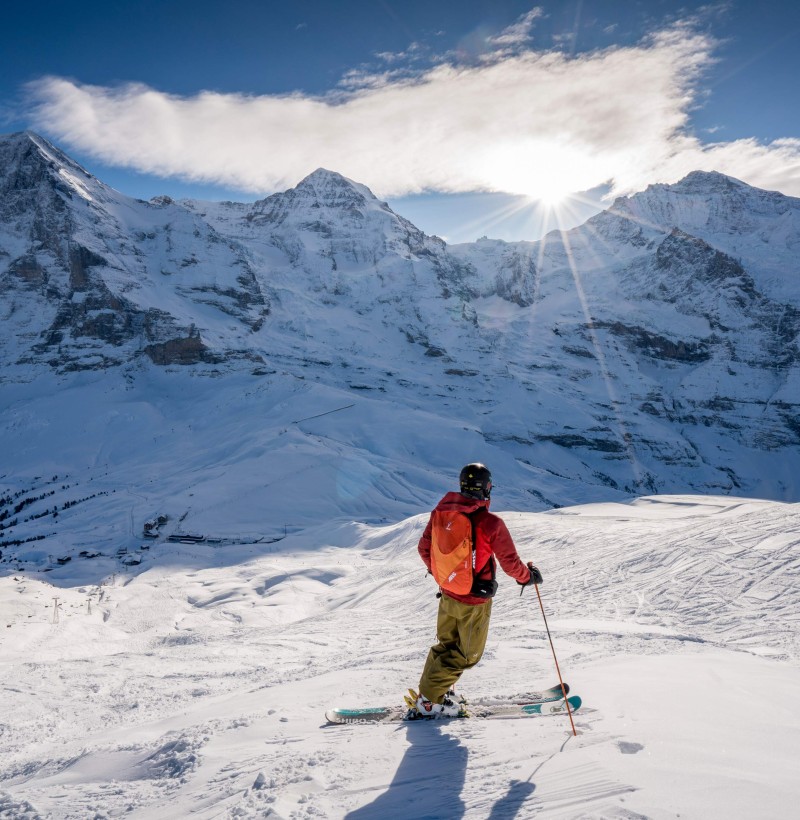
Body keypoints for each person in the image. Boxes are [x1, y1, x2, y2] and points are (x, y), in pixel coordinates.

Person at [411, 462, 543, 718]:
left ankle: (435, 693)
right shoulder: (489, 523)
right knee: (467, 655)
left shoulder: (440, 513)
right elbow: (510, 563)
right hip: (473, 601)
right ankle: (428, 701)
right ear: (487, 489)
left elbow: (423, 549)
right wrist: (528, 578)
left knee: (446, 646)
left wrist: (444, 575)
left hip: (448, 594)